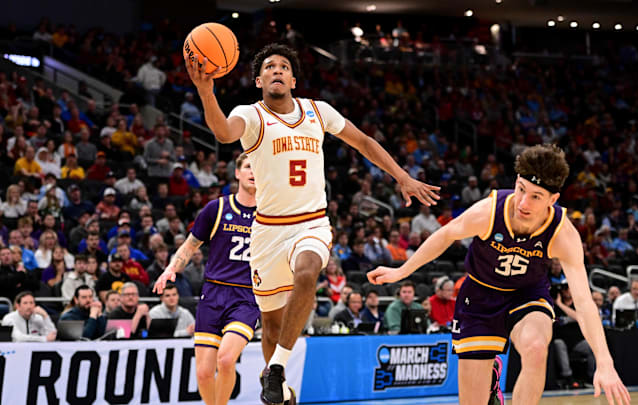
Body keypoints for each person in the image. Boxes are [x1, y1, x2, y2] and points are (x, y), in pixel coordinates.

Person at [186, 42, 439, 405]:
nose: (277, 70)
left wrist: (401, 176)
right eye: (269, 67)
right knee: (271, 327)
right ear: (259, 80)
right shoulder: (252, 115)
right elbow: (224, 132)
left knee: (307, 271)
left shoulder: (317, 111)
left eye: (284, 67)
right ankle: (283, 389)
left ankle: (276, 369)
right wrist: (206, 92)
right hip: (267, 232)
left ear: (292, 78)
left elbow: (364, 142)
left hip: (311, 223)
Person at [368, 145, 629, 405]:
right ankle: (491, 377)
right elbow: (446, 234)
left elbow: (584, 302)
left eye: (536, 196)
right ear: (516, 182)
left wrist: (604, 361)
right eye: (521, 189)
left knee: (537, 347)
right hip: (480, 295)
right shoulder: (490, 211)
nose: (523, 203)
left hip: (527, 293)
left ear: (553, 199)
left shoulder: (563, 234)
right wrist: (401, 270)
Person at [153, 153, 261, 405]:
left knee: (225, 359)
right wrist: (171, 268)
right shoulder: (216, 208)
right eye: (247, 167)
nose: (253, 171)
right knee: (203, 372)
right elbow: (190, 246)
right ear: (237, 173)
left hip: (246, 296)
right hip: (213, 293)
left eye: (257, 167)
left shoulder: (271, 213)